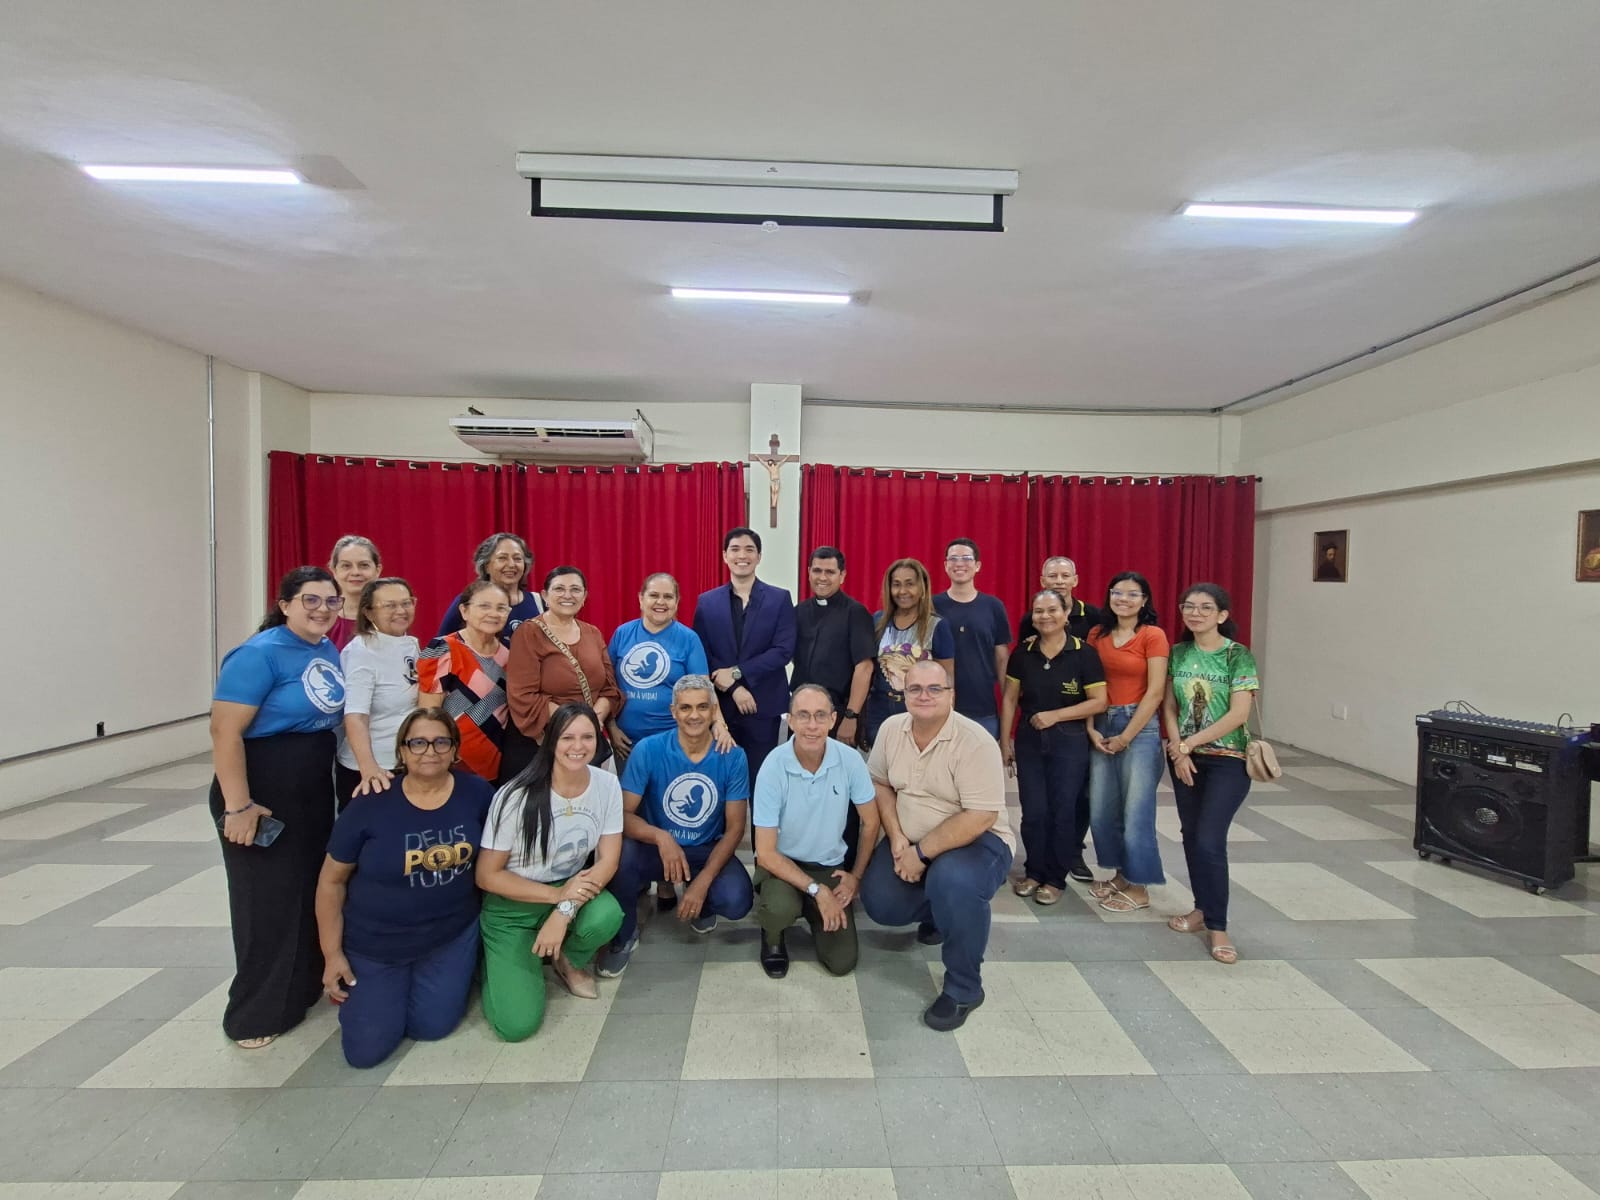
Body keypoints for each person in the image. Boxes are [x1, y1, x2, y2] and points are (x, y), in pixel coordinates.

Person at [209, 567, 346, 1048]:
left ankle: (301, 988)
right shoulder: (258, 653)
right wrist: (238, 806)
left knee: (306, 888)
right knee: (265, 900)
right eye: (311, 600)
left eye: (331, 601)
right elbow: (224, 731)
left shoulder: (324, 648)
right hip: (262, 787)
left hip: (310, 786)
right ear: (285, 604)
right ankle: (255, 1013)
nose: (323, 609)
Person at [315, 708, 493, 1068]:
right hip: (377, 944)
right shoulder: (370, 802)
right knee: (366, 1053)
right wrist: (332, 954)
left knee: (432, 1027)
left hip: (449, 935)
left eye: (441, 742)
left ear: (455, 749)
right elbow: (331, 881)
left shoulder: (477, 794)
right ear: (402, 750)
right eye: (418, 743)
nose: (430, 751)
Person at [860, 661, 1014, 1032]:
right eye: (915, 689)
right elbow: (879, 783)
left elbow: (981, 816)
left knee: (953, 881)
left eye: (934, 689)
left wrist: (920, 853)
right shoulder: (892, 729)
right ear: (904, 694)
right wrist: (897, 836)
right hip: (911, 839)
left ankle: (964, 988)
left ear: (951, 695)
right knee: (880, 901)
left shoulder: (975, 741)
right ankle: (940, 916)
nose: (924, 696)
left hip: (980, 842)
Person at [476, 704, 625, 1039]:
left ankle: (565, 959)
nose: (578, 746)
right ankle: (499, 961)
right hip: (513, 902)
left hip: (568, 889)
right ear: (550, 740)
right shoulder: (515, 795)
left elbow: (607, 861)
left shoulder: (606, 784)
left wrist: (563, 910)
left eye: (587, 737)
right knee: (517, 1025)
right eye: (567, 737)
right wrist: (557, 896)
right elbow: (487, 875)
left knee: (607, 916)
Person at [596, 677, 754, 977]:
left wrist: (703, 881)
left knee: (736, 901)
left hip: (705, 849)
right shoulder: (648, 749)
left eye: (702, 707)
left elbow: (735, 828)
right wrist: (660, 837)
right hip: (657, 851)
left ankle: (702, 902)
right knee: (619, 857)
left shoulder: (733, 756)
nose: (694, 715)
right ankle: (624, 935)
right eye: (685, 708)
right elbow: (622, 816)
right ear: (673, 711)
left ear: (713, 711)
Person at [751, 685, 880, 979]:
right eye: (803, 715)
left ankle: (813, 909)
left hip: (829, 867)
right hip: (782, 865)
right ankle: (773, 935)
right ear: (790, 720)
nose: (812, 725)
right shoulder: (773, 766)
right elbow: (766, 853)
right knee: (779, 909)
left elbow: (871, 822)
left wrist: (855, 876)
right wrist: (817, 890)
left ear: (833, 719)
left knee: (842, 962)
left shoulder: (850, 760)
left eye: (820, 715)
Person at [1163, 583, 1258, 966]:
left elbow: (1239, 713)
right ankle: (1201, 908)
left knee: (1209, 839)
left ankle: (1218, 926)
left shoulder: (1237, 655)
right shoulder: (1178, 652)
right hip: (1185, 759)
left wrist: (1188, 744)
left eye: (1205, 607)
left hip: (1228, 759)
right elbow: (1169, 707)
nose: (1195, 613)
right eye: (1189, 606)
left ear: (1222, 615)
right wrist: (1177, 748)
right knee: (1191, 835)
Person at [1001, 589, 1108, 904]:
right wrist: (1004, 741)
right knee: (1034, 811)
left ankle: (1055, 878)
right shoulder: (1023, 652)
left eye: (1052, 610)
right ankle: (1034, 871)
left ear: (1065, 614)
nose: (1045, 616)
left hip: (1069, 740)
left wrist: (1056, 716)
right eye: (1039, 611)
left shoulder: (1084, 653)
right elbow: (1009, 699)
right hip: (1029, 740)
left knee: (1063, 811)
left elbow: (1099, 702)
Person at [1085, 572, 1170, 913]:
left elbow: (1156, 692)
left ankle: (1139, 887)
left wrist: (1125, 737)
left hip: (1139, 726)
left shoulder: (1152, 635)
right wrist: (1091, 728)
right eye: (1117, 592)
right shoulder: (1097, 634)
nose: (1123, 599)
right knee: (1102, 808)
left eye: (1133, 594)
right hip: (1101, 721)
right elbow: (1088, 685)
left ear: (1144, 600)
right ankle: (1121, 874)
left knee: (1137, 811)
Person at [693, 527, 796, 787]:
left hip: (763, 706)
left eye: (749, 550)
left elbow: (783, 651)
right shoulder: (707, 602)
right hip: (720, 707)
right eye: (735, 549)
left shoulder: (779, 598)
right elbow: (702, 652)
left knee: (760, 783)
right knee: (719, 782)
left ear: (759, 556)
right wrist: (734, 688)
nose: (742, 555)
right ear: (724, 556)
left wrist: (737, 673)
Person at [503, 566, 624, 783]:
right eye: (559, 589)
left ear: (584, 597)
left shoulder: (592, 633)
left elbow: (609, 688)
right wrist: (575, 722)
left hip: (585, 744)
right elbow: (523, 695)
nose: (568, 595)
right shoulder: (528, 633)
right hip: (541, 745)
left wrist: (594, 717)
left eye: (575, 589)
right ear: (544, 596)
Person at [336, 577, 420, 809]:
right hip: (373, 769)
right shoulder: (362, 651)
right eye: (390, 605)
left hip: (407, 760)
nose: (401, 611)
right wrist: (369, 768)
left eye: (406, 603)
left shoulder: (410, 643)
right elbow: (356, 716)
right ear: (369, 613)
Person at [417, 580, 512, 784]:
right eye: (484, 606)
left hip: (501, 760)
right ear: (464, 611)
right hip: (453, 761)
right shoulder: (443, 649)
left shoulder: (511, 651)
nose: (494, 613)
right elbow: (428, 715)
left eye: (501, 608)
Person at [790, 547, 875, 748]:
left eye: (830, 572)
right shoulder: (799, 611)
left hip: (838, 712)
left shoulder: (855, 613)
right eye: (817, 570)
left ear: (842, 575)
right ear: (808, 572)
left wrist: (851, 716)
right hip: (801, 710)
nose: (822, 577)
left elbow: (865, 667)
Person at [863, 558, 955, 746]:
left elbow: (948, 678)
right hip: (880, 709)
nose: (902, 591)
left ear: (922, 587)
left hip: (922, 708)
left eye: (909, 584)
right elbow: (868, 669)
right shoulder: (878, 621)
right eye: (896, 585)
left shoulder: (937, 625)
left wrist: (947, 720)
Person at [934, 538, 1012, 738]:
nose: (959, 563)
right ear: (945, 565)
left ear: (977, 565)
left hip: (983, 710)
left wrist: (1008, 707)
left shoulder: (993, 607)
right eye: (953, 558)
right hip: (939, 708)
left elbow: (1002, 659)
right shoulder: (932, 606)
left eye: (967, 558)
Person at [436, 533, 545, 640]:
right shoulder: (468, 601)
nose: (511, 564)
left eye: (517, 558)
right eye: (502, 558)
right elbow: (438, 647)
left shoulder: (540, 603)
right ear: (486, 566)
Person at [1017, 556, 1102, 643]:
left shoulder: (1094, 616)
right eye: (1052, 576)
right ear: (1043, 581)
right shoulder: (1032, 619)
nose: (1059, 581)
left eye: (1065, 576)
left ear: (1075, 580)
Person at [327, 535, 383, 651]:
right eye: (346, 566)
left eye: (364, 565)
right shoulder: (322, 616)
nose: (355, 572)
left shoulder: (391, 614)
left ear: (377, 570)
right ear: (334, 571)